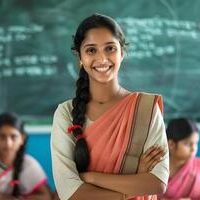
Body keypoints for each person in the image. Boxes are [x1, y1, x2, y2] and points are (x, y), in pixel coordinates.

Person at [51, 13, 169, 200]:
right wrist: (132, 185)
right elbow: (70, 192)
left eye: (110, 48)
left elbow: (157, 182)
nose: (102, 58)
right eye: (91, 50)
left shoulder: (145, 108)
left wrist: (90, 178)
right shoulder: (66, 113)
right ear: (80, 57)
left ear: (122, 53)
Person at [0, 112, 52, 200]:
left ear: (22, 138)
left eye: (13, 137)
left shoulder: (29, 165)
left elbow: (47, 196)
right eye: (2, 136)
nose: (8, 144)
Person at [160, 118, 200, 199]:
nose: (194, 149)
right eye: (188, 144)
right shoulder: (155, 167)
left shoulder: (198, 166)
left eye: (196, 143)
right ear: (171, 144)